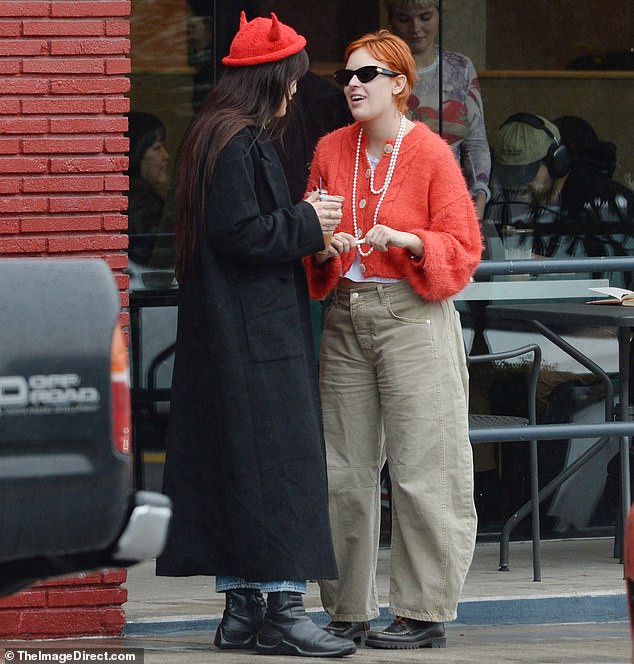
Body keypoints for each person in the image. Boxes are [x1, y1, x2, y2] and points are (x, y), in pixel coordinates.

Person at [155, 12, 356, 659]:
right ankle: (283, 610)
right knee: (280, 466)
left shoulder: (210, 138)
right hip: (258, 338)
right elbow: (244, 234)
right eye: (291, 82)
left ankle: (241, 611)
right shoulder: (242, 144)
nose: (297, 93)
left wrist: (299, 221)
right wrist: (309, 220)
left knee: (237, 468)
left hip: (225, 338)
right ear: (270, 80)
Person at [303, 29, 481, 649]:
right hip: (347, 315)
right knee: (343, 470)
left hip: (413, 315)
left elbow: (464, 252)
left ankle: (423, 610)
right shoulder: (331, 148)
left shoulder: (431, 153)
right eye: (347, 75)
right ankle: (347, 608)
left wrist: (408, 241)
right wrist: (324, 243)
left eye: (367, 74)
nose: (353, 84)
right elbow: (311, 233)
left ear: (400, 84)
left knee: (422, 466)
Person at [385, 0, 491, 219]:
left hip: (451, 201)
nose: (415, 29)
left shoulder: (460, 69)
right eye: (404, 19)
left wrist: (479, 195)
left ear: (440, 16)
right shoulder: (379, 70)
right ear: (391, 21)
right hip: (393, 203)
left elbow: (476, 143)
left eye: (425, 17)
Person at [125, 112, 170, 267]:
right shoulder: (142, 205)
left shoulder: (140, 199)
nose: (166, 156)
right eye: (157, 148)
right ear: (137, 155)